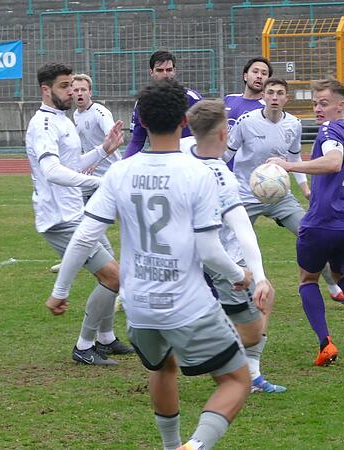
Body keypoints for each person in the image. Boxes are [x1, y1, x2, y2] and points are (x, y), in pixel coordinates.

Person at [47, 79, 253, 450]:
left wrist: (60, 291)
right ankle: (194, 446)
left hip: (139, 306)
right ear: (183, 122)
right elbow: (209, 249)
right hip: (187, 304)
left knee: (162, 367)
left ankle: (169, 444)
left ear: (139, 122)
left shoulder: (119, 173)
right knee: (237, 380)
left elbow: (84, 236)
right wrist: (240, 275)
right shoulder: (198, 173)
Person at [268, 79, 344, 366]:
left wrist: (289, 165)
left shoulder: (330, 130)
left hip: (322, 221)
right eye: (315, 103)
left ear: (341, 105)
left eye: (324, 103)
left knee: (307, 279)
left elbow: (333, 162)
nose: (318, 109)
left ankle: (325, 344)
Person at [25, 62, 133, 365]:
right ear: (46, 90)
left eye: (72, 85)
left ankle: (106, 339)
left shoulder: (61, 119)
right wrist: (101, 181)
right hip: (60, 219)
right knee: (114, 278)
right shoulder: (44, 124)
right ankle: (84, 347)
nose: (71, 90)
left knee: (113, 273)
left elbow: (70, 165)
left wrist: (104, 150)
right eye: (64, 86)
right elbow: (52, 172)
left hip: (75, 211)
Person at [182, 99, 286, 394]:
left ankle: (248, 372)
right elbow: (243, 229)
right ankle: (217, 357)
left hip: (185, 255)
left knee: (221, 313)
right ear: (225, 134)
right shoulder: (221, 176)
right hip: (223, 258)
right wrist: (259, 275)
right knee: (252, 327)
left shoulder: (180, 150)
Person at [226, 77, 344, 304]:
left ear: (286, 98)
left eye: (279, 93)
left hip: (280, 196)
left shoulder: (294, 124)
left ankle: (333, 285)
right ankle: (241, 297)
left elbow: (294, 157)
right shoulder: (245, 121)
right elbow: (226, 154)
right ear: (263, 97)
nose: (274, 97)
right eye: (270, 92)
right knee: (235, 245)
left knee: (311, 236)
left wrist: (304, 187)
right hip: (245, 195)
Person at [49, 73, 119, 274]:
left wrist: (97, 162)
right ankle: (75, 256)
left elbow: (112, 139)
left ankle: (87, 261)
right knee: (79, 219)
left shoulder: (99, 112)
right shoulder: (75, 116)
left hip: (108, 180)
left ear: (91, 92)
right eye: (76, 89)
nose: (79, 93)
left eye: (83, 90)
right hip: (90, 180)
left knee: (88, 222)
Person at [123, 50, 202, 158]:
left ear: (174, 71)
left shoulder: (193, 99)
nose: (165, 74)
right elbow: (137, 141)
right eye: (160, 70)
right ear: (151, 72)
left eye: (169, 70)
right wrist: (123, 164)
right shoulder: (143, 102)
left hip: (189, 164)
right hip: (158, 161)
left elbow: (207, 135)